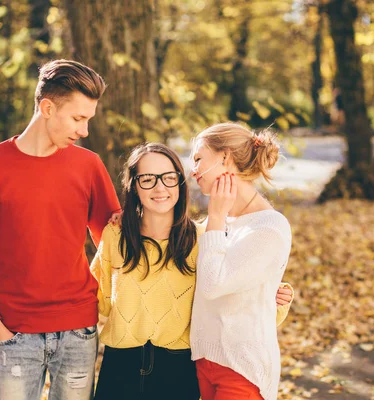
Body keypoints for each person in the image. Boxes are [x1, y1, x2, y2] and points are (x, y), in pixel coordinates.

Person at [0, 59, 121, 400]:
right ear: (47, 107)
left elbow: (114, 244)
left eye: (88, 120)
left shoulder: (88, 166)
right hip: (15, 332)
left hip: (78, 331)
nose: (85, 131)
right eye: (78, 119)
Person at [90, 143, 293, 400]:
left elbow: (231, 304)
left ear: (180, 184)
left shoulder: (205, 238)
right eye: (148, 179)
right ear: (134, 185)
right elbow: (98, 300)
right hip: (120, 366)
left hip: (177, 369)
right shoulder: (115, 235)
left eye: (169, 178)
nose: (160, 187)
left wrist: (270, 297)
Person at [189, 122, 293, 400]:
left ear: (226, 158)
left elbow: (212, 285)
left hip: (241, 370)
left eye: (199, 158)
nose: (193, 169)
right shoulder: (218, 222)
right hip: (203, 363)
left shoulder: (268, 228)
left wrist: (217, 216)